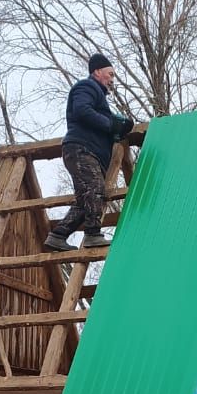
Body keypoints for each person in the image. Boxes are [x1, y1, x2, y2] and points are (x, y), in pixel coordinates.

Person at [43, 54, 134, 253]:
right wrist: (110, 124)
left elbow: (98, 119)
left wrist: (117, 130)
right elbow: (82, 110)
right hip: (81, 149)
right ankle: (93, 234)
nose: (112, 80)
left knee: (85, 200)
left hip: (87, 151)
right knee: (95, 189)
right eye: (110, 74)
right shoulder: (86, 87)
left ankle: (58, 235)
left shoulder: (97, 95)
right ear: (97, 72)